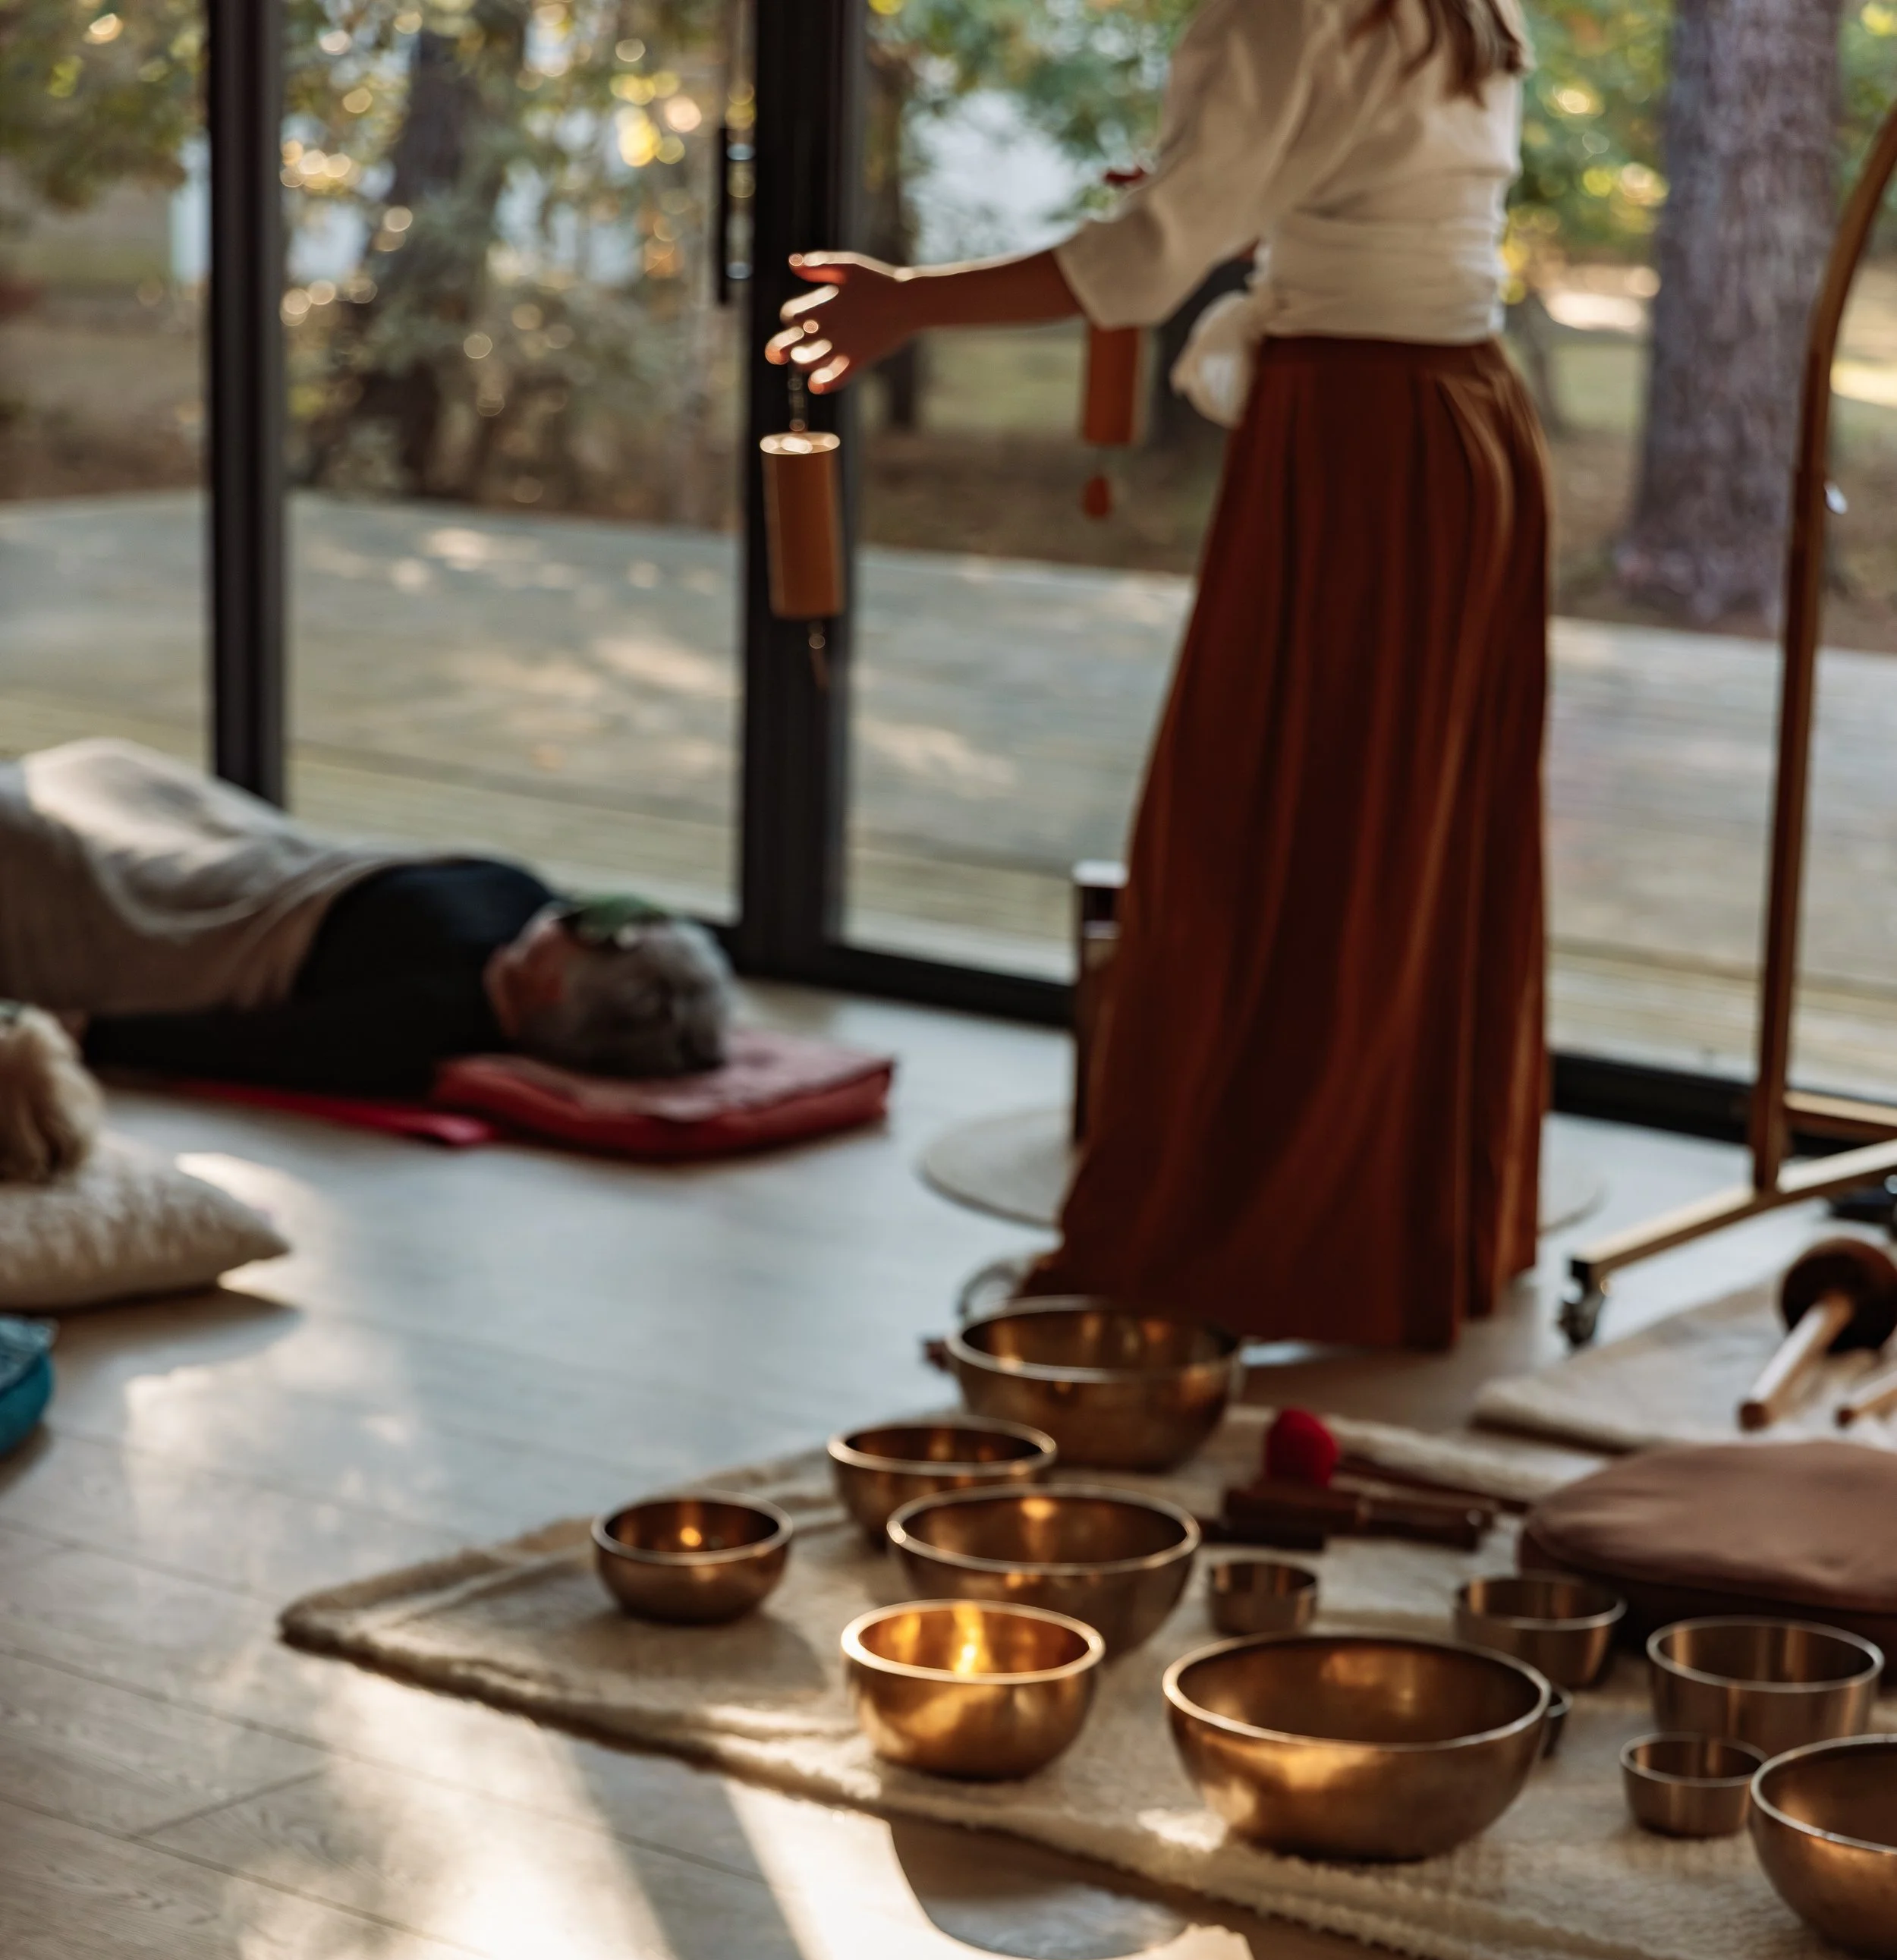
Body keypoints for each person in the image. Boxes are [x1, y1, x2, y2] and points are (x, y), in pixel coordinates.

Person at [772, 0, 1546, 1350]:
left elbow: (1137, 272)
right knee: (1403, 845)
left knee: (1250, 840)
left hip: (1364, 441)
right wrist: (1223, 195)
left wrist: (906, 308)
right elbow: (1371, 180)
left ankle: (1217, 1244)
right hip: (1461, 419)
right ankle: (1408, 1229)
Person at [0, 735, 732, 1102]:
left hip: (206, 918)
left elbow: (261, 1046)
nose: (573, 912)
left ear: (553, 984)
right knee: (103, 772)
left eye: (597, 921)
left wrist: (95, 1033)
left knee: (27, 837)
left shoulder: (426, 1021)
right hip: (261, 851)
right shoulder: (521, 906)